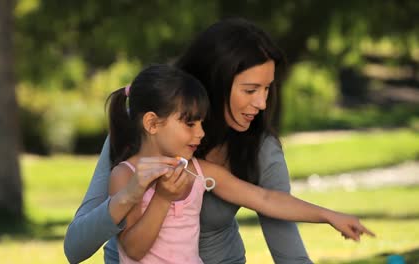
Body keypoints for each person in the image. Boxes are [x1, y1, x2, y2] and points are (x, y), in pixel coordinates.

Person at [63, 18, 364, 264]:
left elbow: (270, 204)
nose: (261, 103)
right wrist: (144, 196)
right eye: (250, 90)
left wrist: (329, 215)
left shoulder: (238, 156)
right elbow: (80, 249)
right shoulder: (136, 140)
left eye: (268, 89)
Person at [105, 64, 373, 264]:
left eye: (201, 123)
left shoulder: (198, 171)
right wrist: (162, 198)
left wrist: (329, 216)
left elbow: (266, 198)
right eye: (190, 124)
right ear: (152, 123)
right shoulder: (125, 175)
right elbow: (133, 249)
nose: (201, 133)